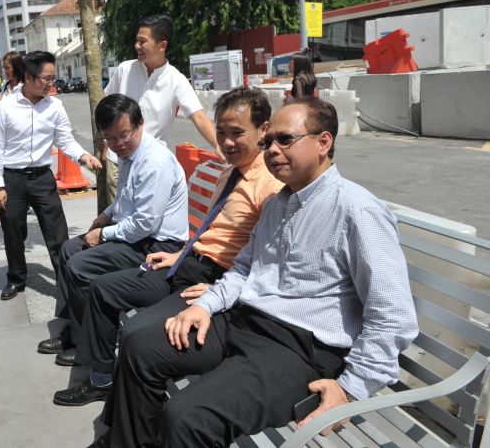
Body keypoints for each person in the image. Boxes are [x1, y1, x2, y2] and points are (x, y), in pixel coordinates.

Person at [93, 98, 419, 448]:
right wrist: (206, 306)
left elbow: (392, 316)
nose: (272, 150)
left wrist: (352, 388)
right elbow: (246, 267)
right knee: (140, 346)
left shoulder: (357, 210)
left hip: (298, 347)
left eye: (285, 140)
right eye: (268, 142)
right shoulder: (279, 204)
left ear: (324, 142)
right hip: (245, 319)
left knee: (187, 417)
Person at [52, 87, 283, 406]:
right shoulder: (231, 171)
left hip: (207, 276)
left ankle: (102, 377)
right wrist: (180, 253)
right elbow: (211, 230)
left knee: (134, 333)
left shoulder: (271, 187)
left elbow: (266, 264)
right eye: (221, 132)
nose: (226, 142)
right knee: (102, 288)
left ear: (264, 130)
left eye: (237, 133)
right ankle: (100, 376)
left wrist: (219, 288)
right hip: (185, 259)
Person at [38, 94, 189, 366]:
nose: (118, 144)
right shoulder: (130, 155)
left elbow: (145, 224)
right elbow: (124, 200)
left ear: (140, 124)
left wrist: (104, 234)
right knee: (69, 250)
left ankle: (87, 340)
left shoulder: (153, 161)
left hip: (157, 247)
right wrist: (105, 217)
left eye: (124, 135)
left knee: (79, 266)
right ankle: (74, 327)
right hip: (137, 238)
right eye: (110, 138)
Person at [0, 51, 103, 301]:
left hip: (42, 177)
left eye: (53, 78)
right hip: (12, 179)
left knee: (57, 232)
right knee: (13, 232)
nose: (51, 84)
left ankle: (66, 279)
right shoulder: (6, 107)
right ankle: (17, 277)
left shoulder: (55, 107)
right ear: (29, 77)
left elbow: (65, 140)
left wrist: (84, 157)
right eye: (46, 78)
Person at [103, 14, 221, 206]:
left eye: (143, 42)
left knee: (145, 219)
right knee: (119, 216)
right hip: (117, 161)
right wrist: (104, 143)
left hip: (151, 166)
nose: (137, 46)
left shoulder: (176, 80)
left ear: (162, 45)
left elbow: (198, 116)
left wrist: (219, 145)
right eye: (136, 41)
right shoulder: (125, 70)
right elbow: (106, 105)